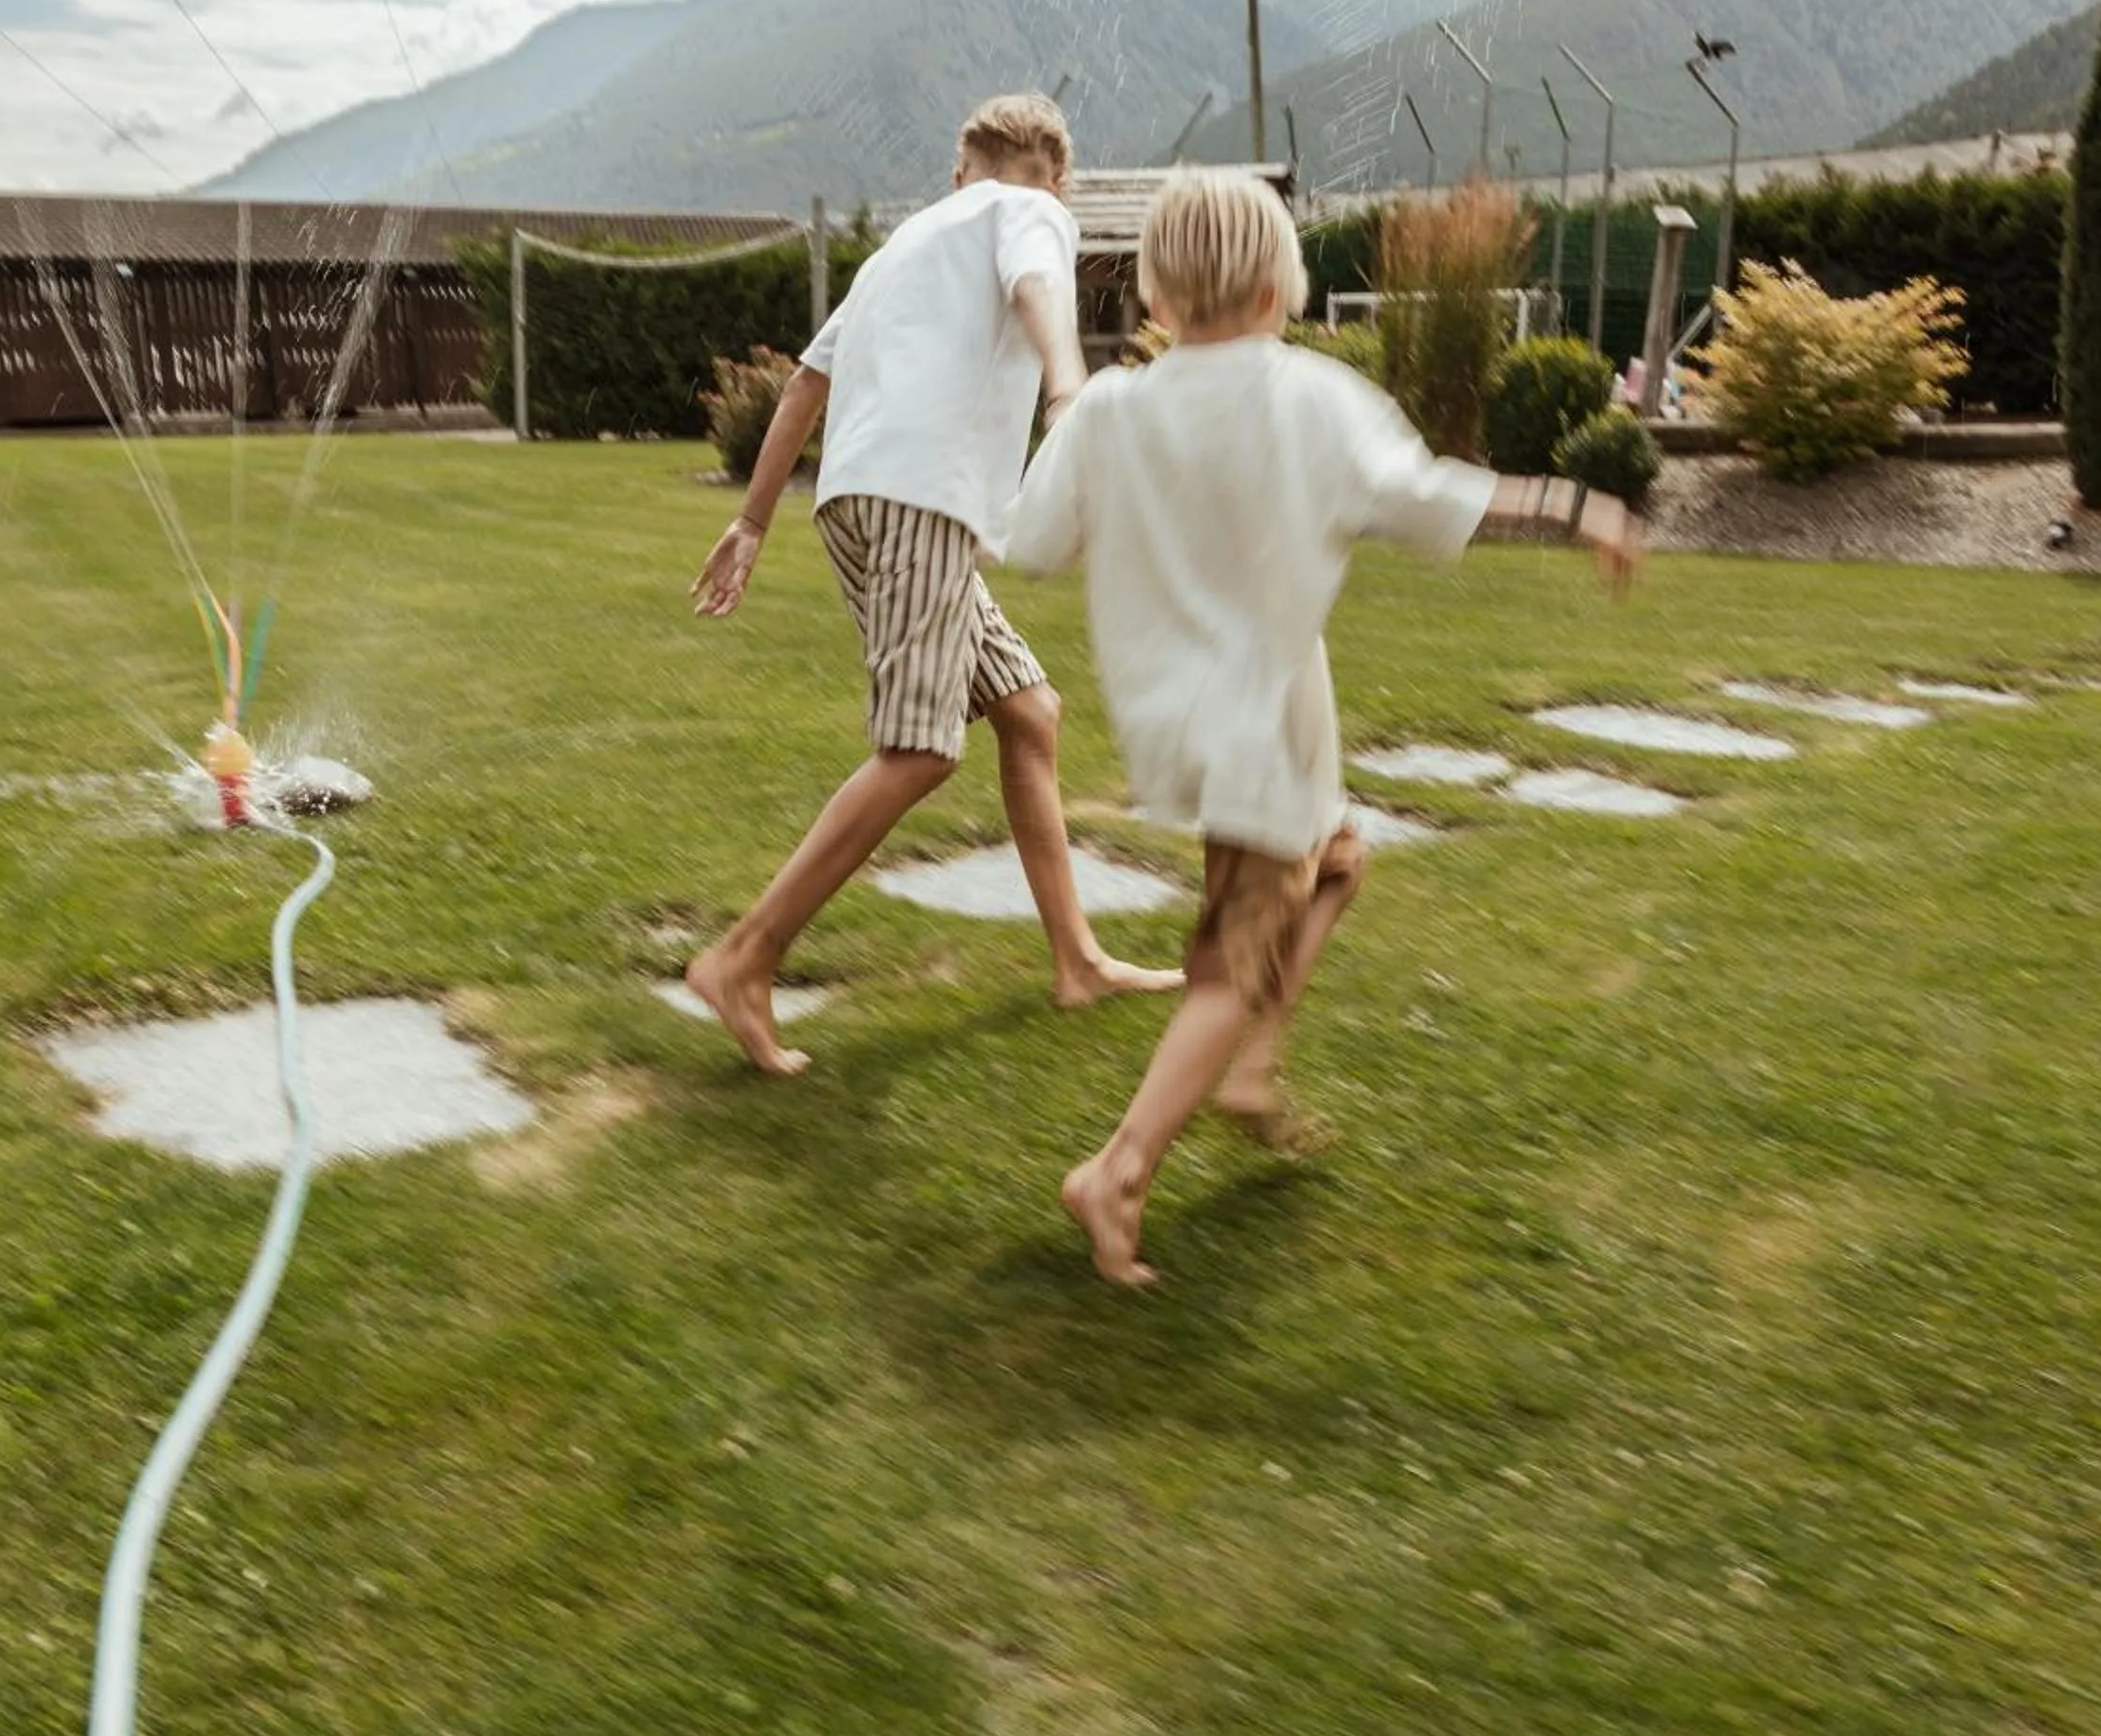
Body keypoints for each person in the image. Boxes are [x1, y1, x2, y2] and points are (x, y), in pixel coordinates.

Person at [1006, 169, 1644, 1284]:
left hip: (1204, 726)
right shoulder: (1309, 397)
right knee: (1226, 964)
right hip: (1259, 730)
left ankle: (1252, 1068)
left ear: (1155, 295)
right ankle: (1115, 1169)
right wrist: (1574, 503)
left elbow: (1032, 541)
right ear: (1277, 287)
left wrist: (1073, 423)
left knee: (1341, 858)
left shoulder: (1113, 406)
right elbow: (1436, 492)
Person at [685, 94, 1182, 1076]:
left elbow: (802, 388)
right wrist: (1067, 381)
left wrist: (750, 522)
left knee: (1030, 712)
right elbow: (1040, 283)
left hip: (858, 504)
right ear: (1057, 178)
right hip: (922, 502)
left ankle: (1078, 959)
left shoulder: (901, 247)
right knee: (918, 749)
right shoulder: (1028, 209)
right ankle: (742, 958)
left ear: (963, 166)